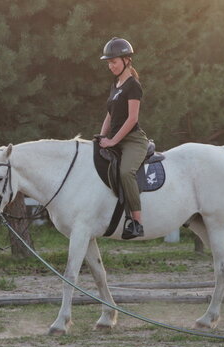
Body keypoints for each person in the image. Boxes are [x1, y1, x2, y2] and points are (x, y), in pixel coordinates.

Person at [98, 37, 149, 239]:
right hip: (115, 137)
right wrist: (102, 136)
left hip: (133, 139)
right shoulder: (116, 84)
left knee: (126, 172)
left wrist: (112, 141)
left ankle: (137, 222)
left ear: (127, 60)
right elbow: (109, 115)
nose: (110, 66)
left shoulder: (132, 86)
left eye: (114, 62)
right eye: (109, 62)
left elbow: (132, 118)